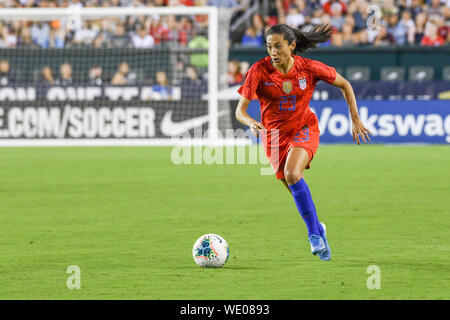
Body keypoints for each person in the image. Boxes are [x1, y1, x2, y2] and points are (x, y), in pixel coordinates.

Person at [235, 24, 372, 261]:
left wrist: (355, 119)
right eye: (269, 47)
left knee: (292, 174)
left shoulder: (308, 69)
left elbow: (345, 84)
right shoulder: (258, 71)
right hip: (273, 137)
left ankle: (313, 235)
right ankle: (318, 228)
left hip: (304, 128)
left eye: (278, 46)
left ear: (292, 46)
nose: (273, 52)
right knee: (294, 188)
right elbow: (240, 111)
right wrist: (250, 122)